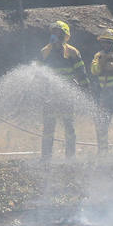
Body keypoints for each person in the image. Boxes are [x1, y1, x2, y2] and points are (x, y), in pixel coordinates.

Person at [37, 20, 89, 160]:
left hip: (67, 96)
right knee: (48, 128)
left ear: (65, 35)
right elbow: (38, 74)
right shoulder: (45, 51)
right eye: (53, 32)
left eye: (58, 33)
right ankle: (46, 158)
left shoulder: (72, 52)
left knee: (69, 127)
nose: (54, 35)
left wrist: (85, 89)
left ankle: (70, 158)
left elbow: (81, 72)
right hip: (50, 96)